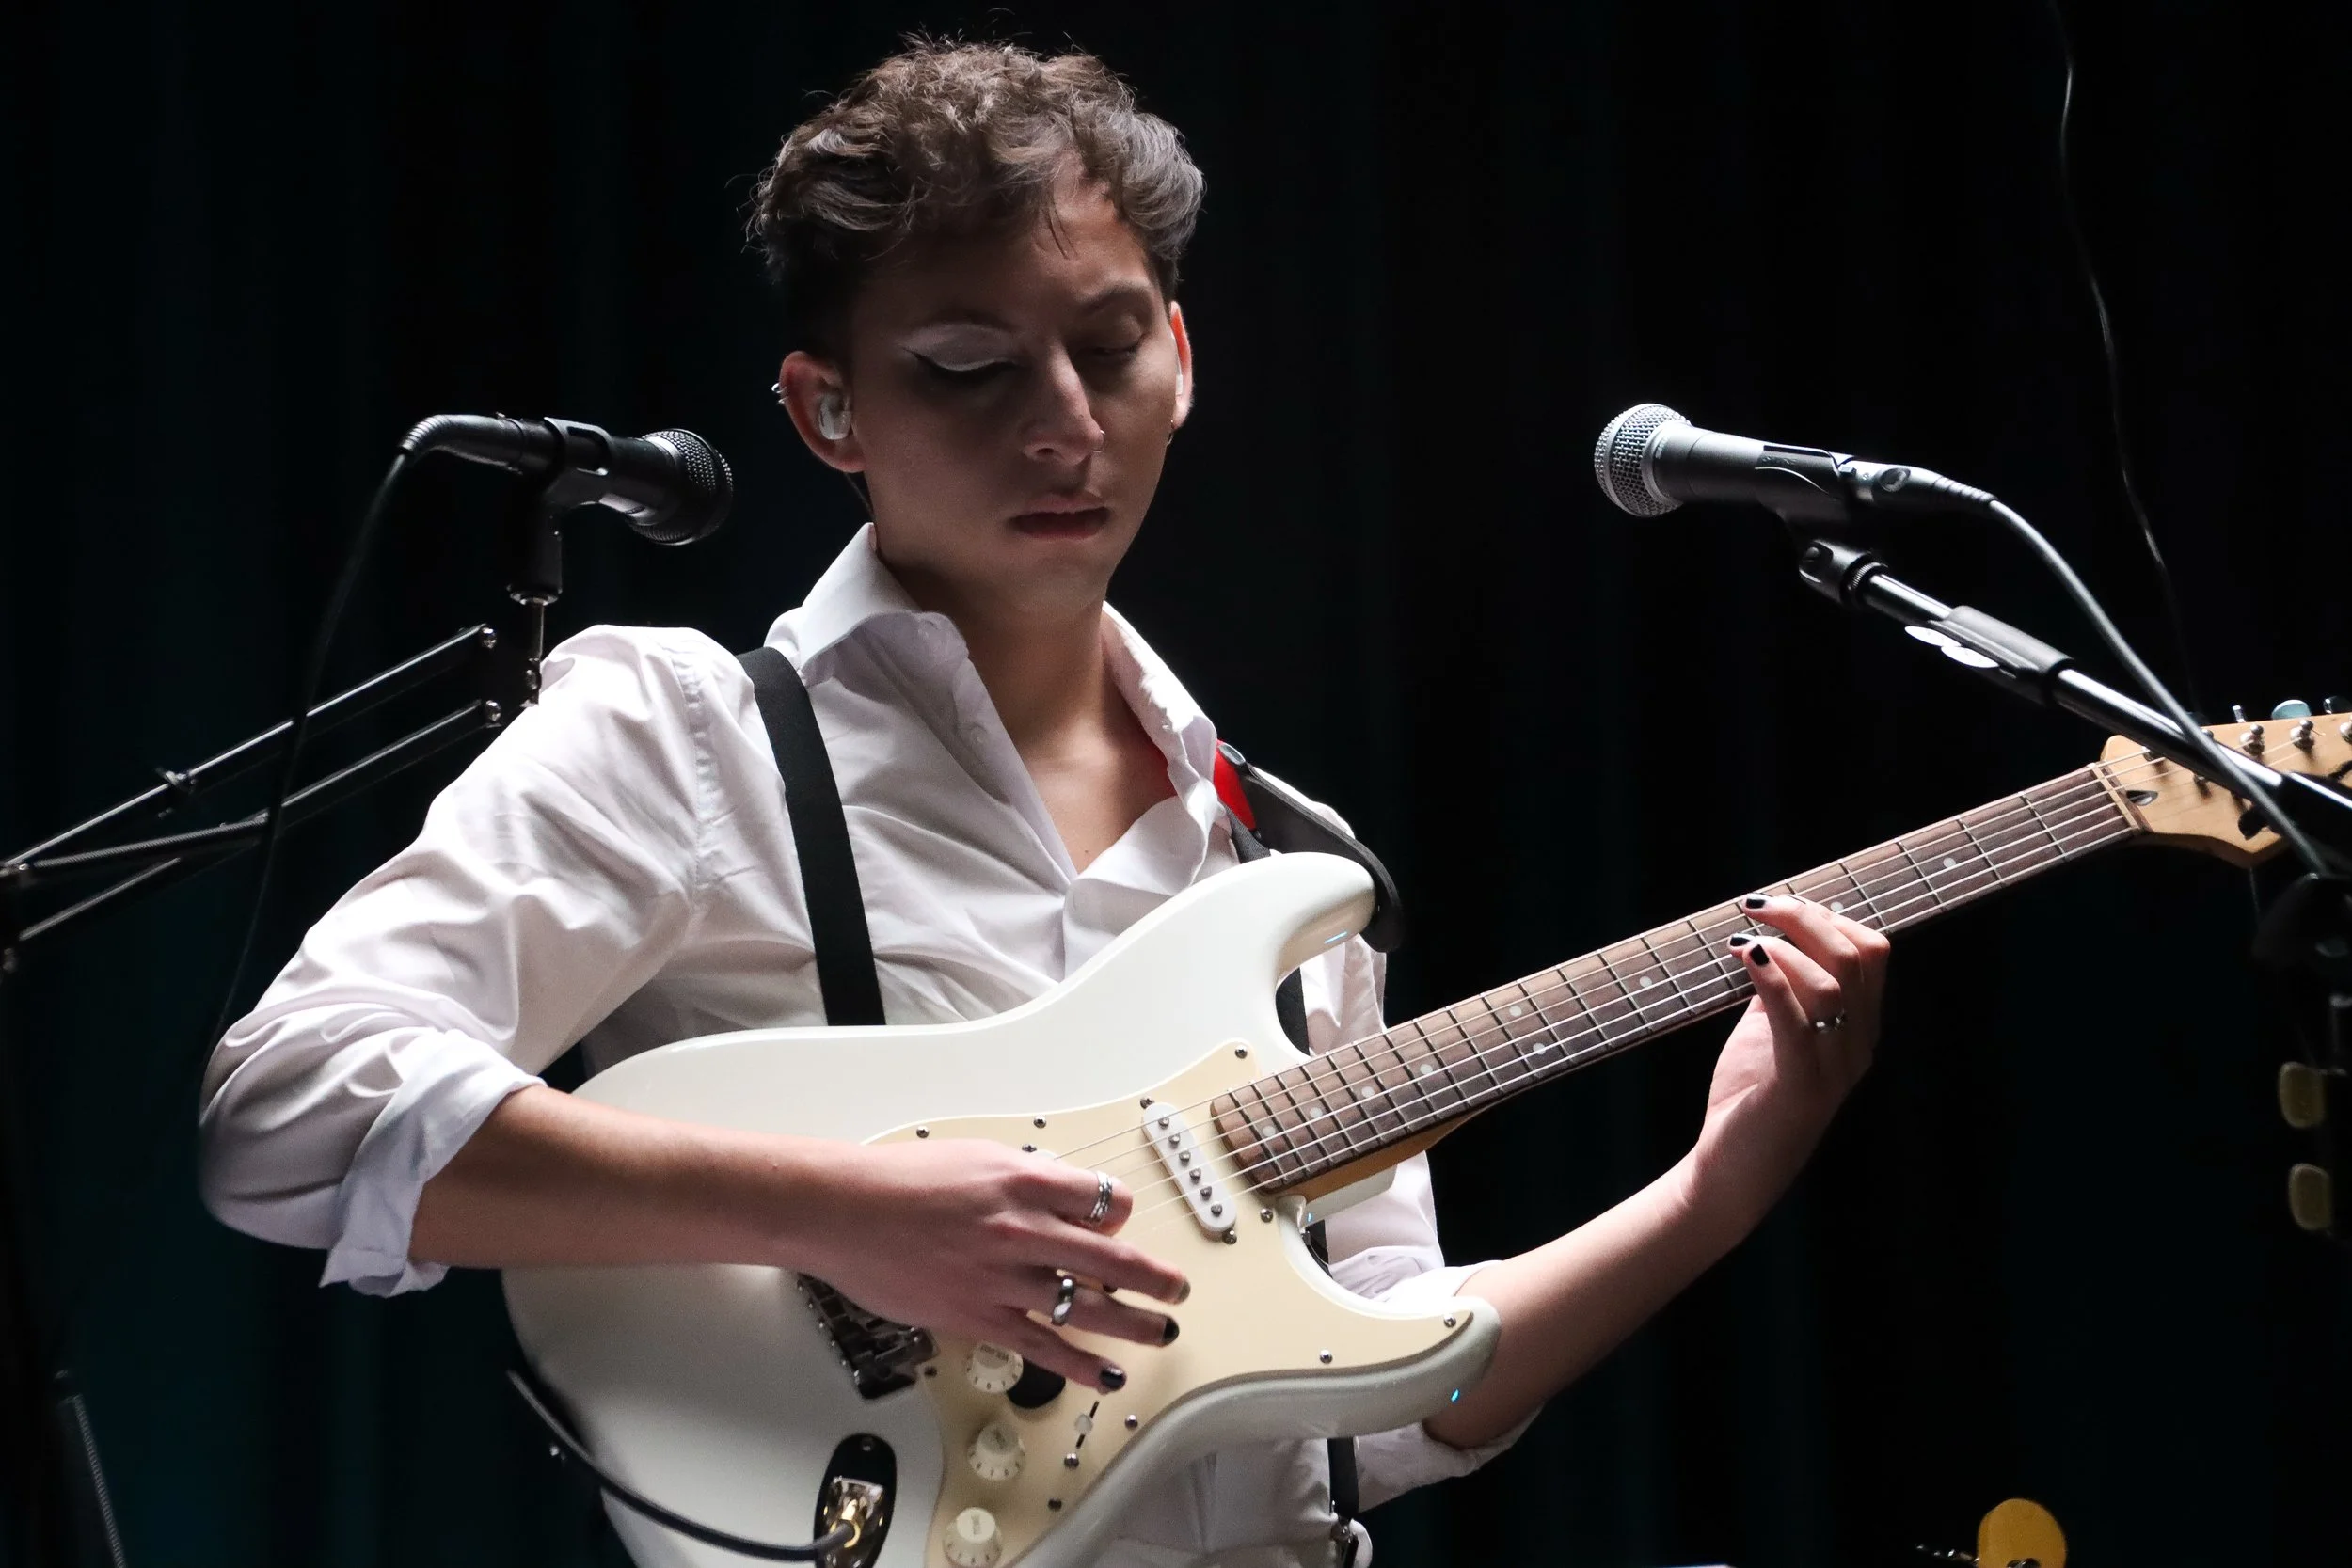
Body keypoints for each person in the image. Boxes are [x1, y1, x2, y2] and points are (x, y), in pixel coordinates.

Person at [199, 40, 1888, 1567]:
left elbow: (1372, 1404)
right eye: (965, 365)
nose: (1064, 424)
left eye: (1107, 344)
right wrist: (841, 1211)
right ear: (827, 409)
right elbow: (286, 1108)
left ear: (1183, 355)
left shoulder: (1287, 859)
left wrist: (1720, 1180)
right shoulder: (687, 736)